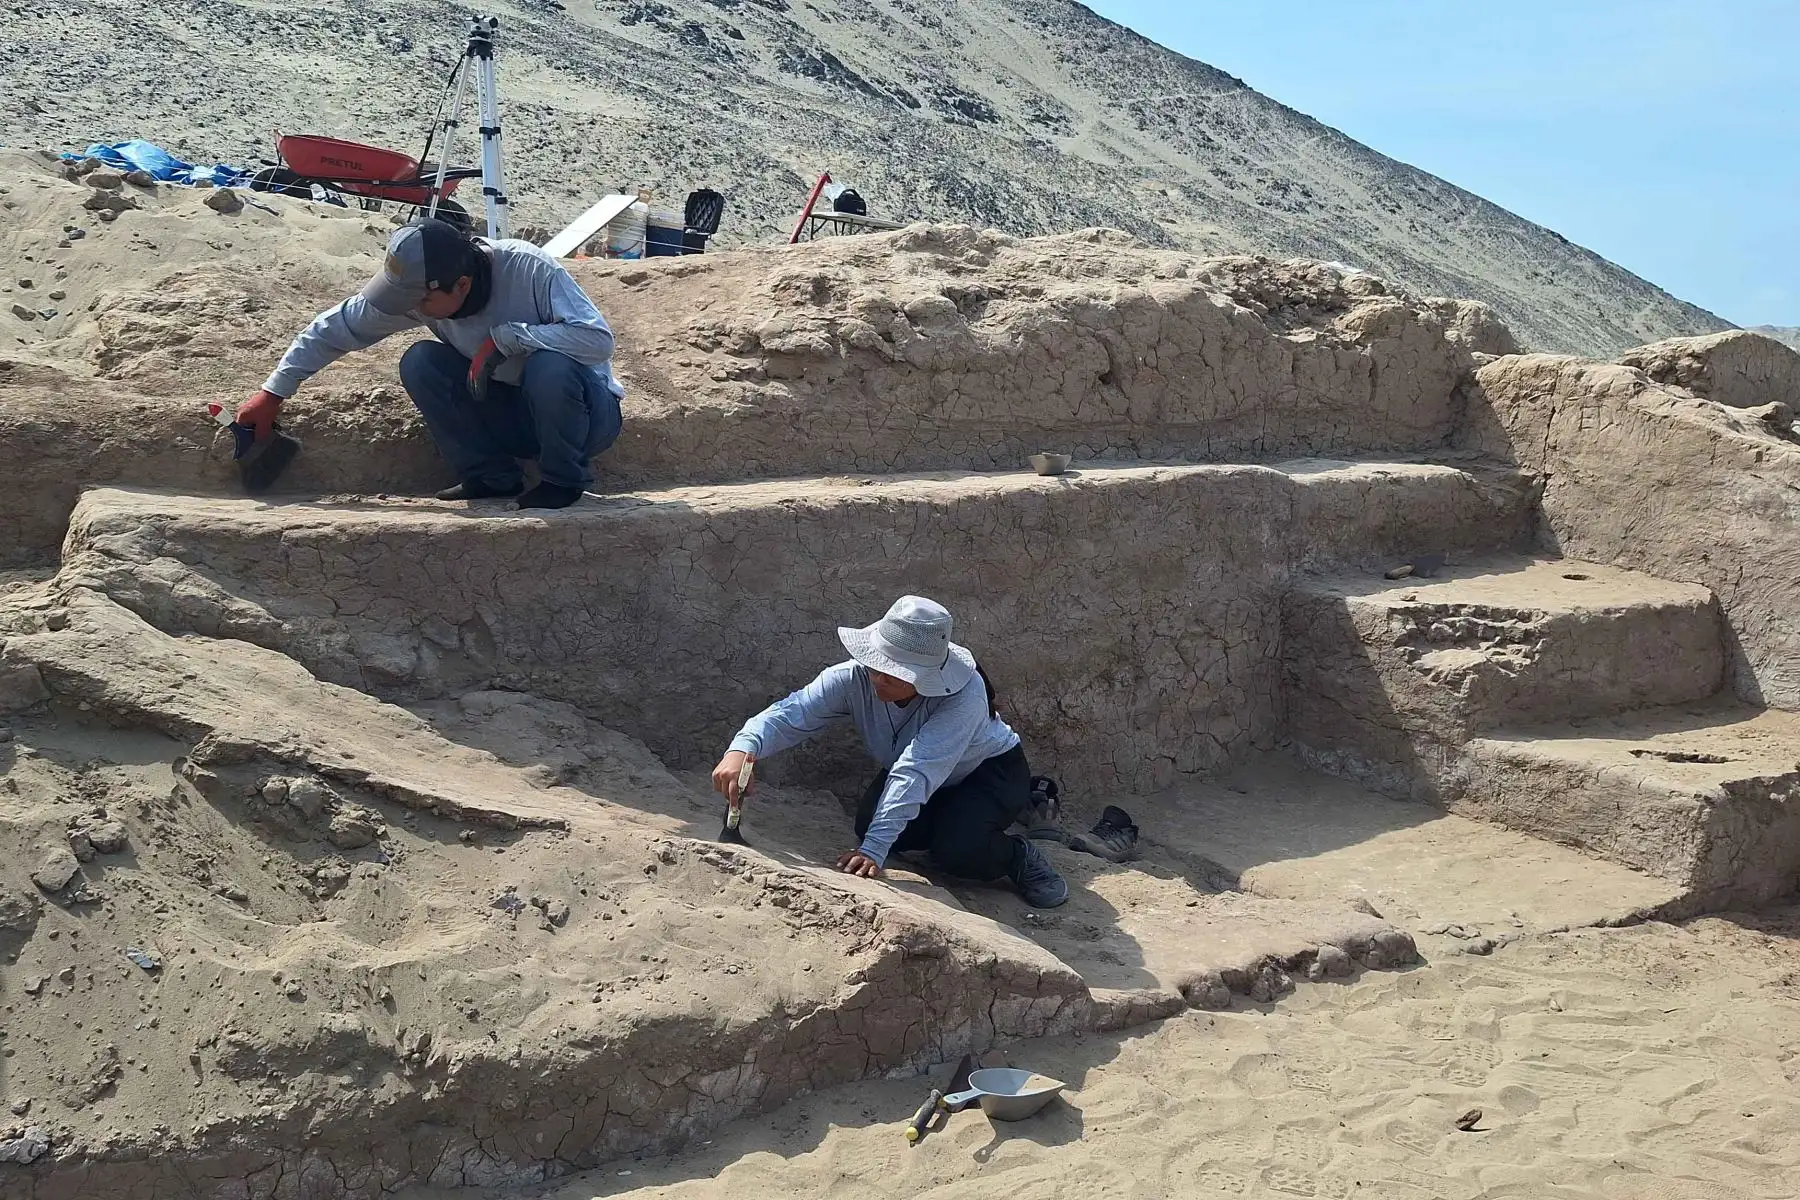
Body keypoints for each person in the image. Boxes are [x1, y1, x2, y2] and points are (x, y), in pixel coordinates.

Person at [236, 218, 625, 510]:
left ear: (461, 284)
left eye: (420, 300)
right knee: (422, 361)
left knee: (549, 366)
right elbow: (334, 329)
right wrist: (273, 393)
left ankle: (562, 483)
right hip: (516, 418)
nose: (411, 309)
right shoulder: (421, 297)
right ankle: (491, 477)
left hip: (587, 418)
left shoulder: (529, 269)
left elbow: (597, 341)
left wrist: (508, 337)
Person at [711, 596, 1069, 908]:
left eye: (893, 674)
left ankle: (1016, 855)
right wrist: (743, 747)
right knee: (871, 823)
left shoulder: (964, 695)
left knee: (958, 850)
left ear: (926, 676)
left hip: (987, 773)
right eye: (876, 666)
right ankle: (958, 824)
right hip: (923, 774)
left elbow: (917, 769)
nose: (879, 678)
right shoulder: (854, 677)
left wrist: (872, 850)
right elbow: (795, 712)